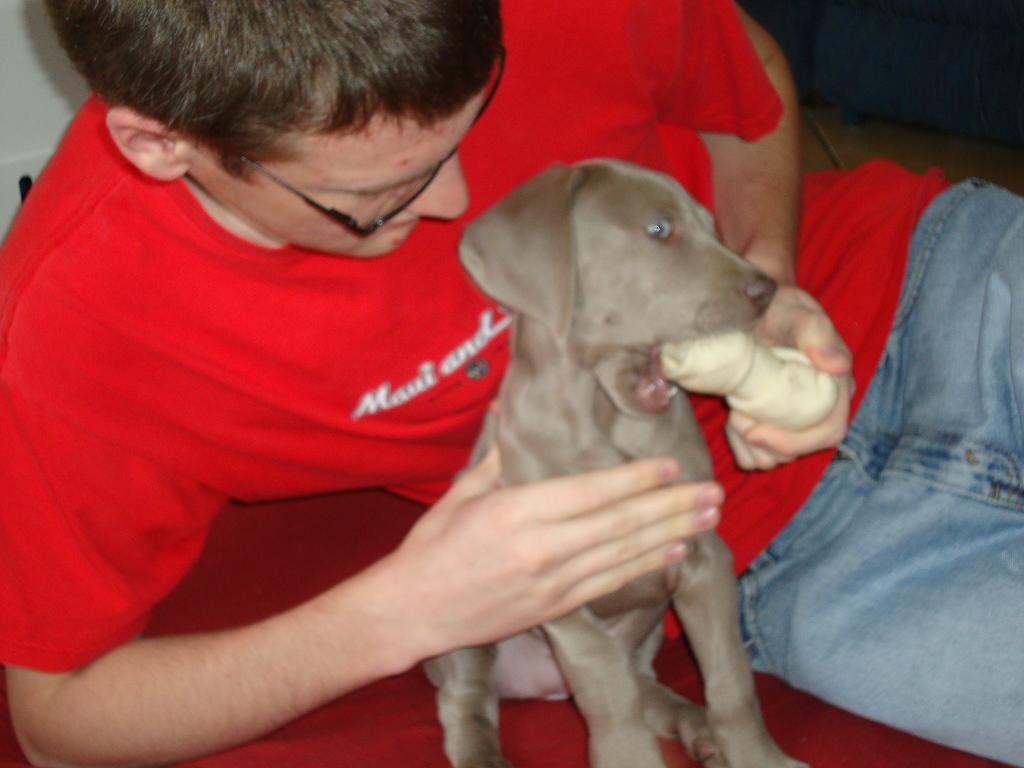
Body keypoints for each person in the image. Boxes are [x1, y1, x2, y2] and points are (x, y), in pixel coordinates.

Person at [0, 2, 1020, 767]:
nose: (457, 200)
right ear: (160, 143)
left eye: (476, 114)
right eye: (381, 193)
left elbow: (740, 69)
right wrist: (400, 613)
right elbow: (57, 718)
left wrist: (767, 275)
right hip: (797, 569)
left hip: (939, 281)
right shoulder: (80, 325)